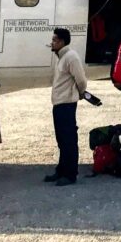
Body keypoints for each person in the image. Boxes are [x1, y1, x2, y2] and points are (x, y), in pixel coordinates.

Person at [46, 27, 87, 186]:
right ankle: (61, 170)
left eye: (55, 40)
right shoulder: (61, 57)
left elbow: (81, 80)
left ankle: (70, 174)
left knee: (69, 139)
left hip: (67, 104)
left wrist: (81, 93)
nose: (52, 43)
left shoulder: (71, 57)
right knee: (61, 139)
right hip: (59, 104)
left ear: (62, 42)